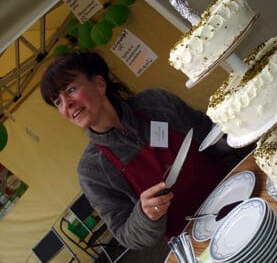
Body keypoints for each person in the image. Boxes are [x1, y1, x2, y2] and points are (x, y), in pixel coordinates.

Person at [40, 51, 252, 255]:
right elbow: (126, 235)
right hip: (198, 242)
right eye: (57, 101)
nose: (67, 104)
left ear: (99, 83)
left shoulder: (155, 102)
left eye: (70, 89)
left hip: (239, 193)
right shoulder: (92, 170)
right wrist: (145, 215)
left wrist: (236, 127)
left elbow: (210, 136)